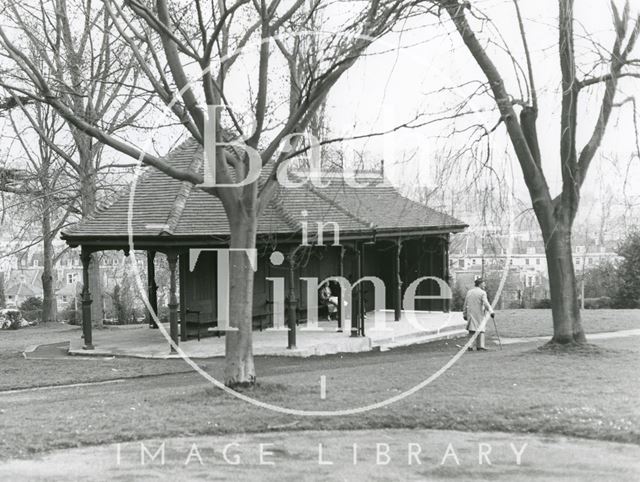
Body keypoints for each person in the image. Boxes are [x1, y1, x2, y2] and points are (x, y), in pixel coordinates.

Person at [462, 278, 494, 351]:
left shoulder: (469, 292)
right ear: (480, 284)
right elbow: (486, 303)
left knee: (471, 329)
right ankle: (480, 346)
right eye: (483, 283)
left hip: (470, 313)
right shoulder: (482, 293)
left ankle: (470, 346)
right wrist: (491, 312)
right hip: (479, 313)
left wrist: (464, 313)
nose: (484, 285)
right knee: (481, 329)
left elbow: (465, 303)